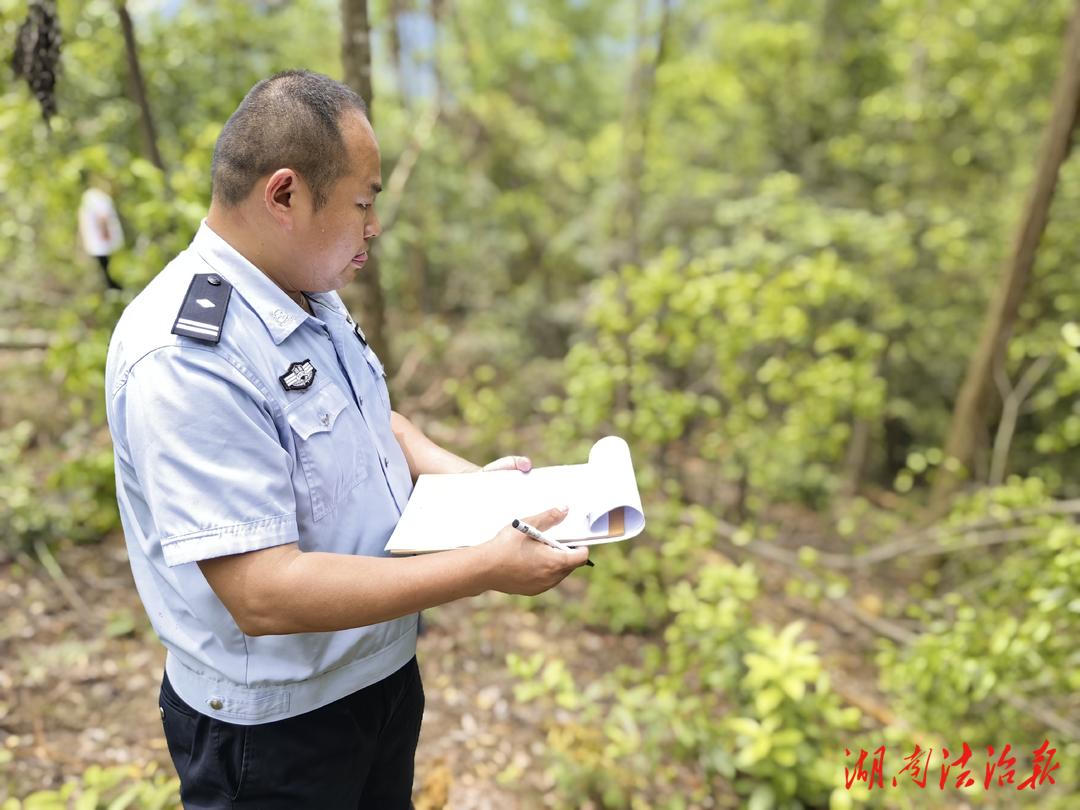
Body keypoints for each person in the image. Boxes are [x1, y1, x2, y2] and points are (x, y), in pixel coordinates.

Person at [104, 68, 589, 810]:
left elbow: (376, 424)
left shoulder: (308, 291)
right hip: (274, 735)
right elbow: (262, 593)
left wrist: (487, 493)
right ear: (284, 194)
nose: (374, 226)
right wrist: (484, 566)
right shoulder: (188, 355)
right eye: (362, 203)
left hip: (378, 683)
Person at [78, 182, 124, 290]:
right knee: (112, 272)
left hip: (100, 245)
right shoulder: (95, 196)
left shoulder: (88, 198)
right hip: (104, 244)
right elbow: (102, 215)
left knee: (110, 272)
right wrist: (105, 232)